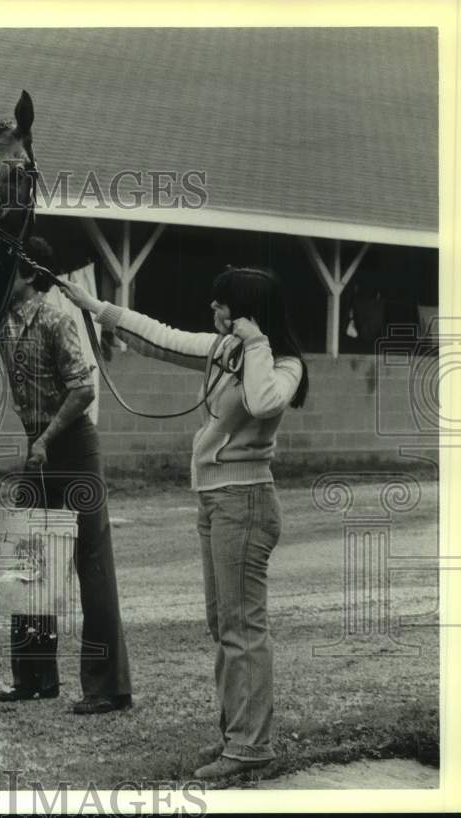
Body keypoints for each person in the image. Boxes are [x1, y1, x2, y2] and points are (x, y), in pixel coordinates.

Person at [59, 266, 308, 777]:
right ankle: (236, 736)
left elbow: (263, 403)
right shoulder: (226, 351)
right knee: (224, 625)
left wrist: (256, 343)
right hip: (215, 501)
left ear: (248, 312)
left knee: (243, 627)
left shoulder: (281, 364)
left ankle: (250, 748)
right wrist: (95, 308)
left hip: (247, 502)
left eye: (224, 306)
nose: (214, 313)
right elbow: (160, 338)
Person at [0, 237, 133, 715]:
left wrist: (46, 438)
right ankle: (34, 679)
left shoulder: (55, 319)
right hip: (41, 446)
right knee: (33, 557)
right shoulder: (2, 323)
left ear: (31, 275)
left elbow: (82, 388)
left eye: (8, 268)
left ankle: (108, 688)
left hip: (70, 445)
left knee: (91, 563)